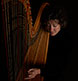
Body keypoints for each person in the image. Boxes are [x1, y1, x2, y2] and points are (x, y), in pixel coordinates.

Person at [25, 3, 72, 81]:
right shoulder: (43, 33)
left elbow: (60, 68)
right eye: (48, 25)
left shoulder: (67, 41)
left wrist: (39, 71)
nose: (51, 29)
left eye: (54, 26)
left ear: (61, 24)